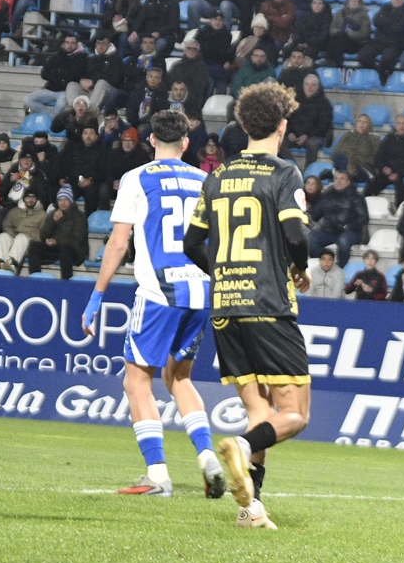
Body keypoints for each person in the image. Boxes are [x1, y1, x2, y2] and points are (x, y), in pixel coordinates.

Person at [184, 82, 314, 532]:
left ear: (242, 124)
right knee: (294, 414)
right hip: (268, 303)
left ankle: (250, 510)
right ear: (283, 125)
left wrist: (222, 272)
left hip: (225, 307)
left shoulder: (217, 176)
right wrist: (299, 268)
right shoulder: (284, 173)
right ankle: (239, 446)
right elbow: (296, 235)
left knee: (261, 413)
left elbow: (191, 243)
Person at [78, 109, 225, 498]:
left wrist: (96, 295)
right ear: (187, 143)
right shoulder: (206, 180)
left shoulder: (137, 177)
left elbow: (118, 242)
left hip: (161, 292)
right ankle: (208, 458)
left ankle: (158, 475)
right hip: (202, 290)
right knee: (179, 378)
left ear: (152, 140)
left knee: (136, 380)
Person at [29, 185, 88, 279]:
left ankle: (66, 281)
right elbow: (43, 235)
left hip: (75, 250)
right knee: (33, 246)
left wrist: (57, 241)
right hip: (56, 248)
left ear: (71, 201)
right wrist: (53, 221)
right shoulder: (53, 214)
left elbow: (76, 239)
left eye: (65, 199)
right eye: (60, 200)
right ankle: (35, 278)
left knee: (65, 249)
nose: (62, 202)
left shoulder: (79, 216)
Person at [365, 113, 404, 207]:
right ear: (395, 125)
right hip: (388, 172)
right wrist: (384, 168)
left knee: (400, 186)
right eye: (399, 123)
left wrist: (399, 173)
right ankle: (365, 206)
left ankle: (398, 210)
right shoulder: (389, 138)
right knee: (372, 184)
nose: (401, 126)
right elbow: (378, 157)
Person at [309, 169, 369, 260]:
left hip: (351, 232)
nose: (338, 181)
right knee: (311, 239)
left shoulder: (357, 196)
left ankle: (341, 266)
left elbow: (364, 218)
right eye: (336, 178)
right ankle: (325, 262)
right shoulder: (326, 195)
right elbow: (315, 215)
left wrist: (348, 226)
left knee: (343, 241)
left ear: (348, 182)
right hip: (329, 231)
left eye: (342, 179)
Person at [0, 190, 45, 273]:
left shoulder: (42, 214)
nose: (31, 200)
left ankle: (12, 263)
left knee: (21, 237)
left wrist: (28, 234)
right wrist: (13, 235)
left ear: (37, 200)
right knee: (3, 236)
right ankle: (0, 261)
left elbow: (43, 233)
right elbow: (6, 225)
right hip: (14, 238)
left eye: (33, 198)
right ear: (24, 199)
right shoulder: (14, 211)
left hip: (30, 243)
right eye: (28, 197)